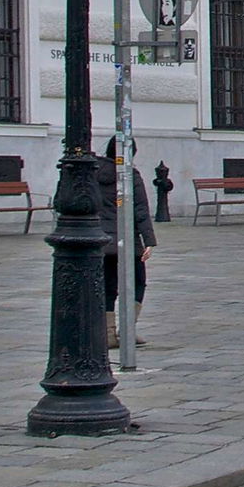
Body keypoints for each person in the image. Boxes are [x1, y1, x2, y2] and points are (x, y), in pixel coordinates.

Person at [97, 136, 156, 349]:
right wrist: (149, 240)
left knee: (108, 285)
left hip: (102, 240)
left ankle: (109, 333)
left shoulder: (94, 172)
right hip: (127, 240)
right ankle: (128, 328)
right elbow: (140, 210)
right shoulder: (130, 175)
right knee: (138, 281)